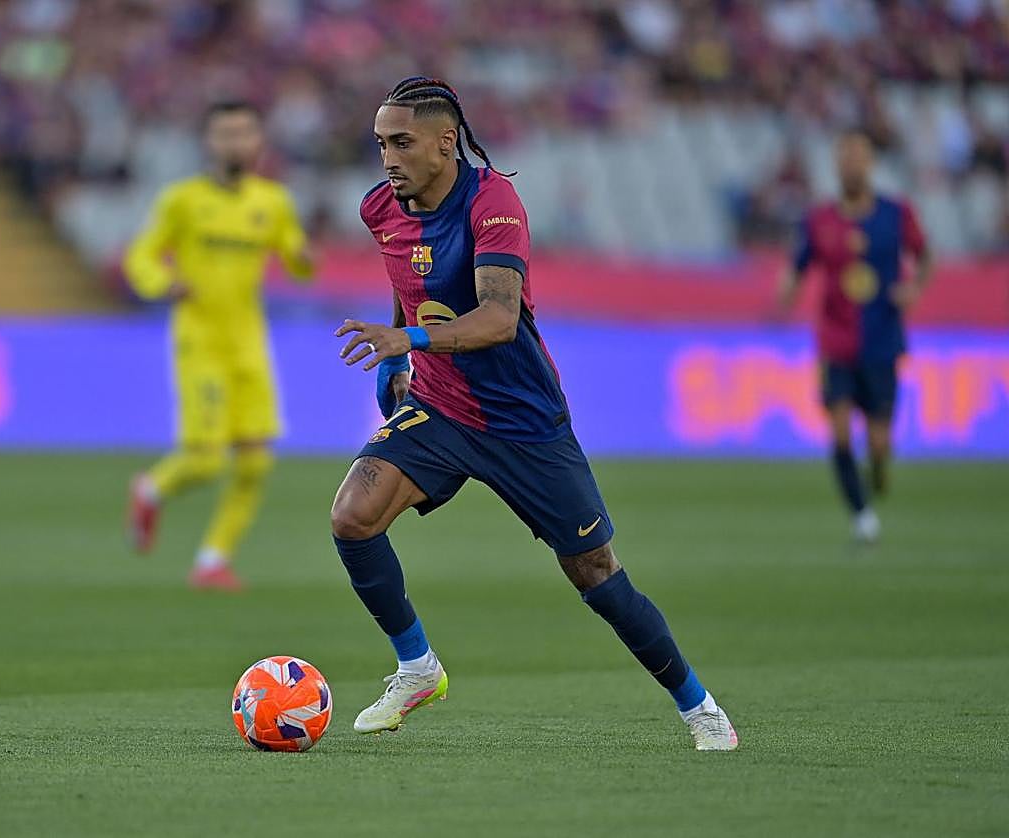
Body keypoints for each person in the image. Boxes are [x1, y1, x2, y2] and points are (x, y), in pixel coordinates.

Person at [330, 77, 737, 751]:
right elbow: (409, 280)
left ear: (445, 141)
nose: (388, 158)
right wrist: (397, 361)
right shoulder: (381, 208)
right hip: (440, 407)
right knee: (352, 515)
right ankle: (417, 668)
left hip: (522, 421)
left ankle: (700, 708)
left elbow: (497, 317)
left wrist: (409, 340)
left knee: (595, 572)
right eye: (380, 144)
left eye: (401, 143)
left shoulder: (493, 202)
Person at [125, 101, 313, 590]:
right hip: (200, 339)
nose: (235, 143)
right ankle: (151, 487)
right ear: (209, 143)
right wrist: (160, 282)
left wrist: (302, 256)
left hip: (248, 342)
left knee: (255, 460)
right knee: (208, 459)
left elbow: (296, 259)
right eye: (225, 134)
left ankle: (212, 560)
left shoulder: (272, 201)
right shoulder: (182, 201)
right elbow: (141, 255)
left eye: (244, 133)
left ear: (258, 142)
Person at [778, 130, 931, 543]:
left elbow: (924, 254)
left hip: (882, 340)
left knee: (879, 442)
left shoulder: (896, 214)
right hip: (836, 342)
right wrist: (788, 289)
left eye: (858, 157)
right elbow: (800, 263)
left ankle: (878, 468)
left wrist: (914, 288)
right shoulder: (820, 220)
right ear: (836, 164)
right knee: (841, 430)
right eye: (844, 157)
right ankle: (862, 514)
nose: (851, 164)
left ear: (870, 163)